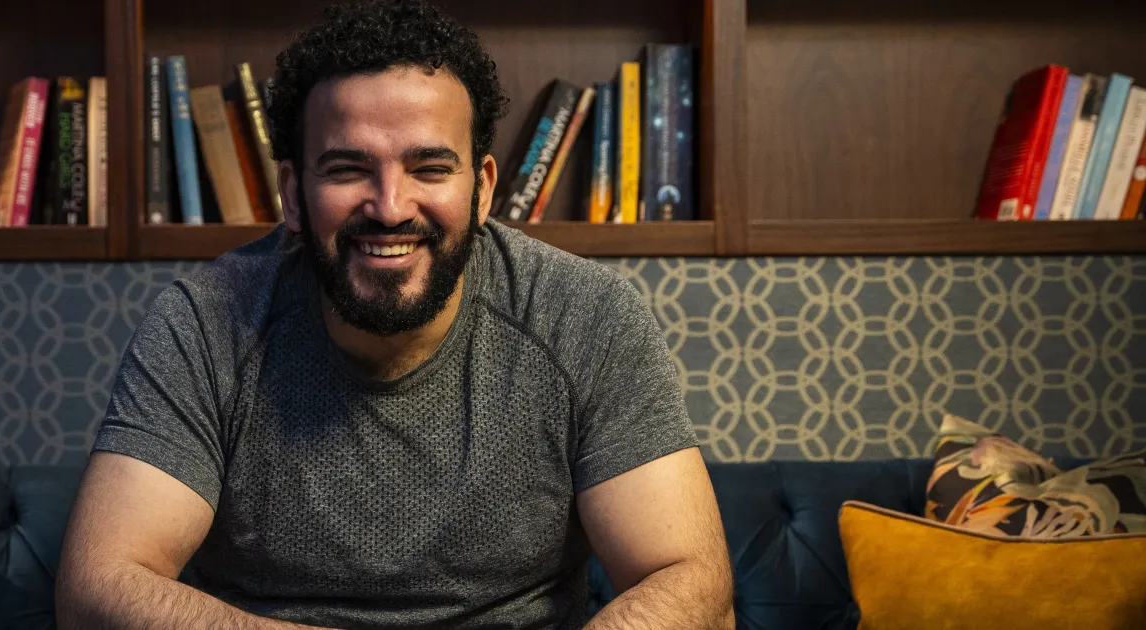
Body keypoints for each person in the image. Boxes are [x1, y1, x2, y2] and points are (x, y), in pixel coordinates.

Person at [55, 0, 734, 627]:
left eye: (430, 168)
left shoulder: (585, 316)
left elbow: (690, 579)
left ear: (483, 189)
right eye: (349, 168)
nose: (390, 206)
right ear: (293, 193)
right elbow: (97, 588)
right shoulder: (204, 324)